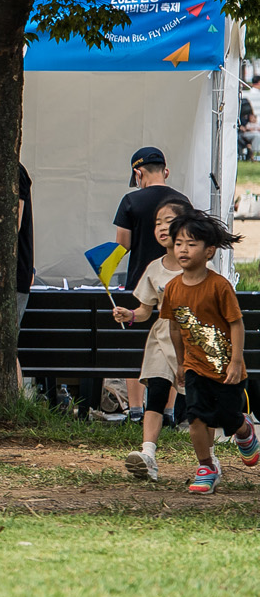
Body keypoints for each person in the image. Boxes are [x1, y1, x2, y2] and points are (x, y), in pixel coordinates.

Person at [153, 210, 255, 494]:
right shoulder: (172, 289)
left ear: (209, 251)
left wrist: (236, 361)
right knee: (196, 417)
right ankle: (206, 466)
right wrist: (179, 363)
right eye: (179, 243)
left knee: (228, 419)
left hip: (226, 371)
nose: (183, 249)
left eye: (191, 243)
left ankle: (244, 431)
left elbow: (236, 324)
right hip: (194, 367)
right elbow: (174, 328)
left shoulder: (219, 286)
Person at [112, 199, 188, 481]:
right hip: (161, 339)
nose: (161, 228)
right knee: (156, 392)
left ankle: (209, 458)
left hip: (191, 339)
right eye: (157, 223)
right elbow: (145, 310)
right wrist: (128, 314)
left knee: (196, 402)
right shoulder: (154, 268)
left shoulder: (196, 264)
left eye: (167, 221)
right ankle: (148, 454)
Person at [114, 147, 189, 417]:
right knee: (171, 345)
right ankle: (168, 410)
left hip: (139, 282)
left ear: (138, 173)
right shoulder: (182, 203)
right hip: (179, 282)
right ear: (165, 171)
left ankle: (135, 409)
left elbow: (123, 245)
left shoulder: (130, 201)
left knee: (138, 348)